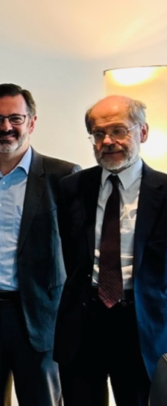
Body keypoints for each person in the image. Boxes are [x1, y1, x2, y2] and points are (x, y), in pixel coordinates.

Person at [0, 84, 79, 406]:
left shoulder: (64, 177)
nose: (6, 127)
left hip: (38, 317)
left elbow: (76, 251)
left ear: (32, 122)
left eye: (15, 118)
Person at [55, 96, 167, 406]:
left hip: (141, 325)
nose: (107, 141)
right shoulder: (71, 188)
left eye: (118, 130)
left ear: (142, 132)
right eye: (98, 133)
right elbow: (70, 256)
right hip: (83, 323)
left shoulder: (164, 192)